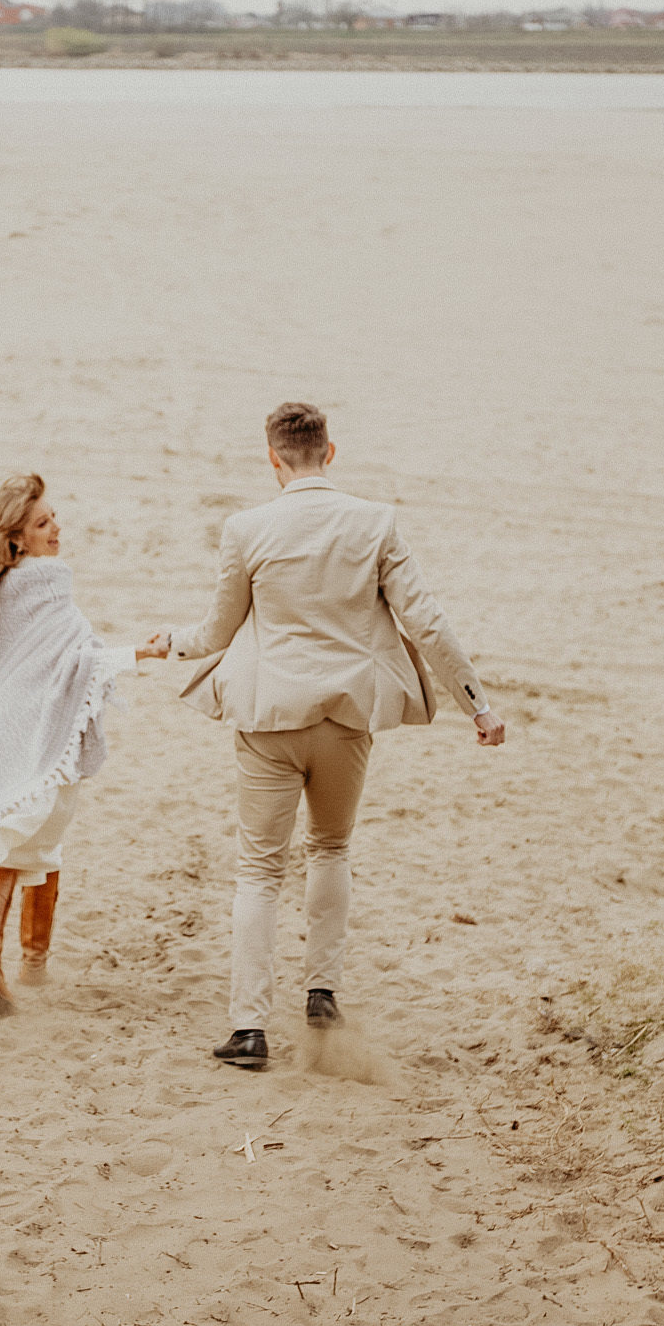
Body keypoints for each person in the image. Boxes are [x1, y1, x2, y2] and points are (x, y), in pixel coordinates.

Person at [162, 403, 504, 1068]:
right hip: (346, 718)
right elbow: (427, 623)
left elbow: (216, 633)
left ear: (272, 457)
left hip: (269, 719)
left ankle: (249, 1029)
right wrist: (478, 707)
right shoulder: (375, 523)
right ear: (330, 452)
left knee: (260, 869)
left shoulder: (246, 529)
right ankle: (322, 992)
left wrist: (169, 646)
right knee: (331, 848)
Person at [0, 474, 169, 1016]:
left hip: (3, 733)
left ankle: (15, 960)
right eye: (42, 523)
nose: (57, 528)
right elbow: (78, 662)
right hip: (40, 732)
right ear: (17, 539)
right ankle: (3, 960)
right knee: (37, 839)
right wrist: (139, 654)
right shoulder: (49, 583)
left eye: (53, 517)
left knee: (17, 838)